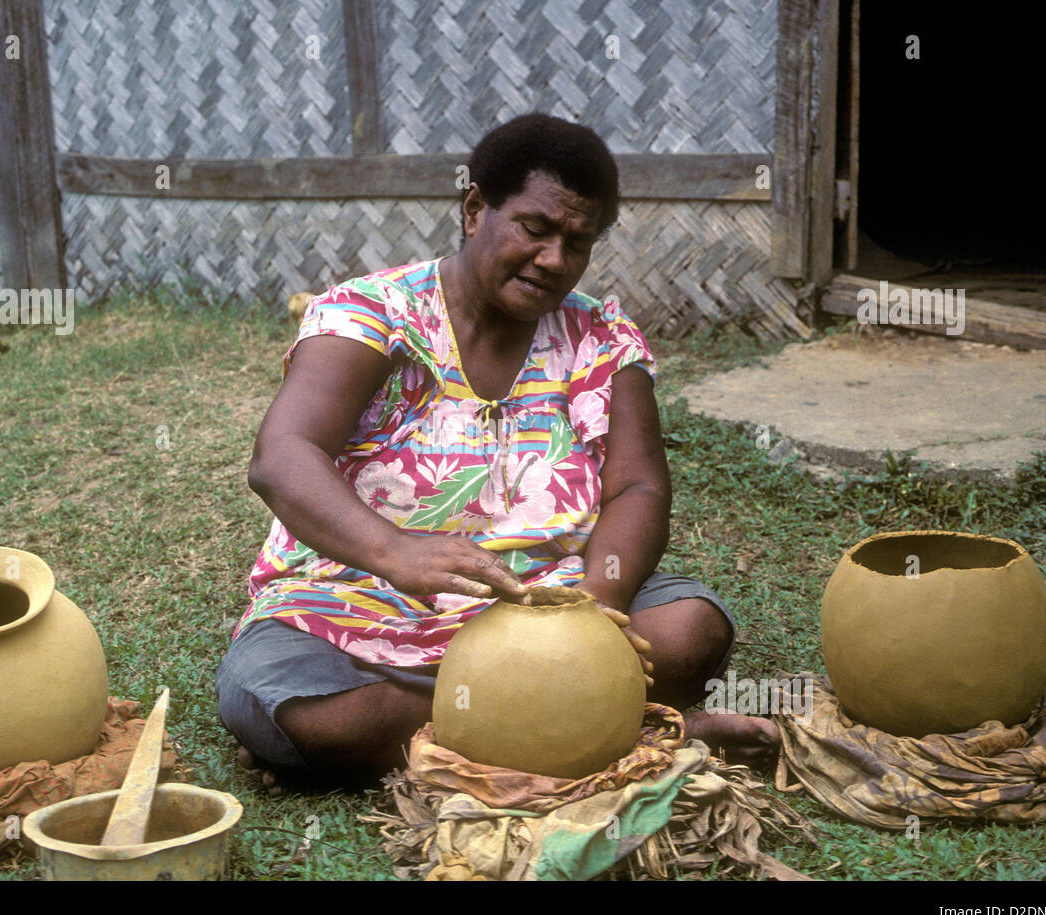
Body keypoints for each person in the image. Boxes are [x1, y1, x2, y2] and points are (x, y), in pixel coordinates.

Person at [217, 113, 778, 793]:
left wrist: (593, 614)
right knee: (284, 705)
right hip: (364, 597)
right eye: (536, 229)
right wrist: (395, 549)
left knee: (691, 630)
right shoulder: (372, 314)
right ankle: (613, 732)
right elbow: (282, 454)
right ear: (476, 207)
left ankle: (495, 728)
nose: (554, 261)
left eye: (579, 243)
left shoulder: (600, 336)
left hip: (548, 596)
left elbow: (638, 490)